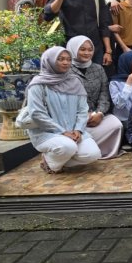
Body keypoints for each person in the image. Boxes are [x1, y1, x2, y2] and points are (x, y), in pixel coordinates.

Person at [24, 46, 101, 174]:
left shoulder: (75, 81)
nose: (66, 62)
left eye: (68, 59)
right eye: (60, 59)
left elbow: (83, 110)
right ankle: (52, 164)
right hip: (47, 133)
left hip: (73, 131)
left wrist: (78, 129)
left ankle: (55, 160)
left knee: (93, 154)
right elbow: (36, 113)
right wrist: (62, 131)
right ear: (49, 60)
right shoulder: (38, 84)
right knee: (67, 147)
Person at [66, 36, 123, 160]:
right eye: (82, 49)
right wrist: (82, 116)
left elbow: (104, 93)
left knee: (116, 124)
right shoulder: (66, 71)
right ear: (73, 49)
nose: (87, 53)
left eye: (90, 49)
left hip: (95, 115)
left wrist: (100, 113)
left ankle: (102, 151)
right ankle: (81, 150)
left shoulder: (98, 68)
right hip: (73, 118)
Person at [109, 51, 132, 127]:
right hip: (123, 121)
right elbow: (119, 104)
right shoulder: (115, 82)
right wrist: (128, 84)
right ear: (126, 62)